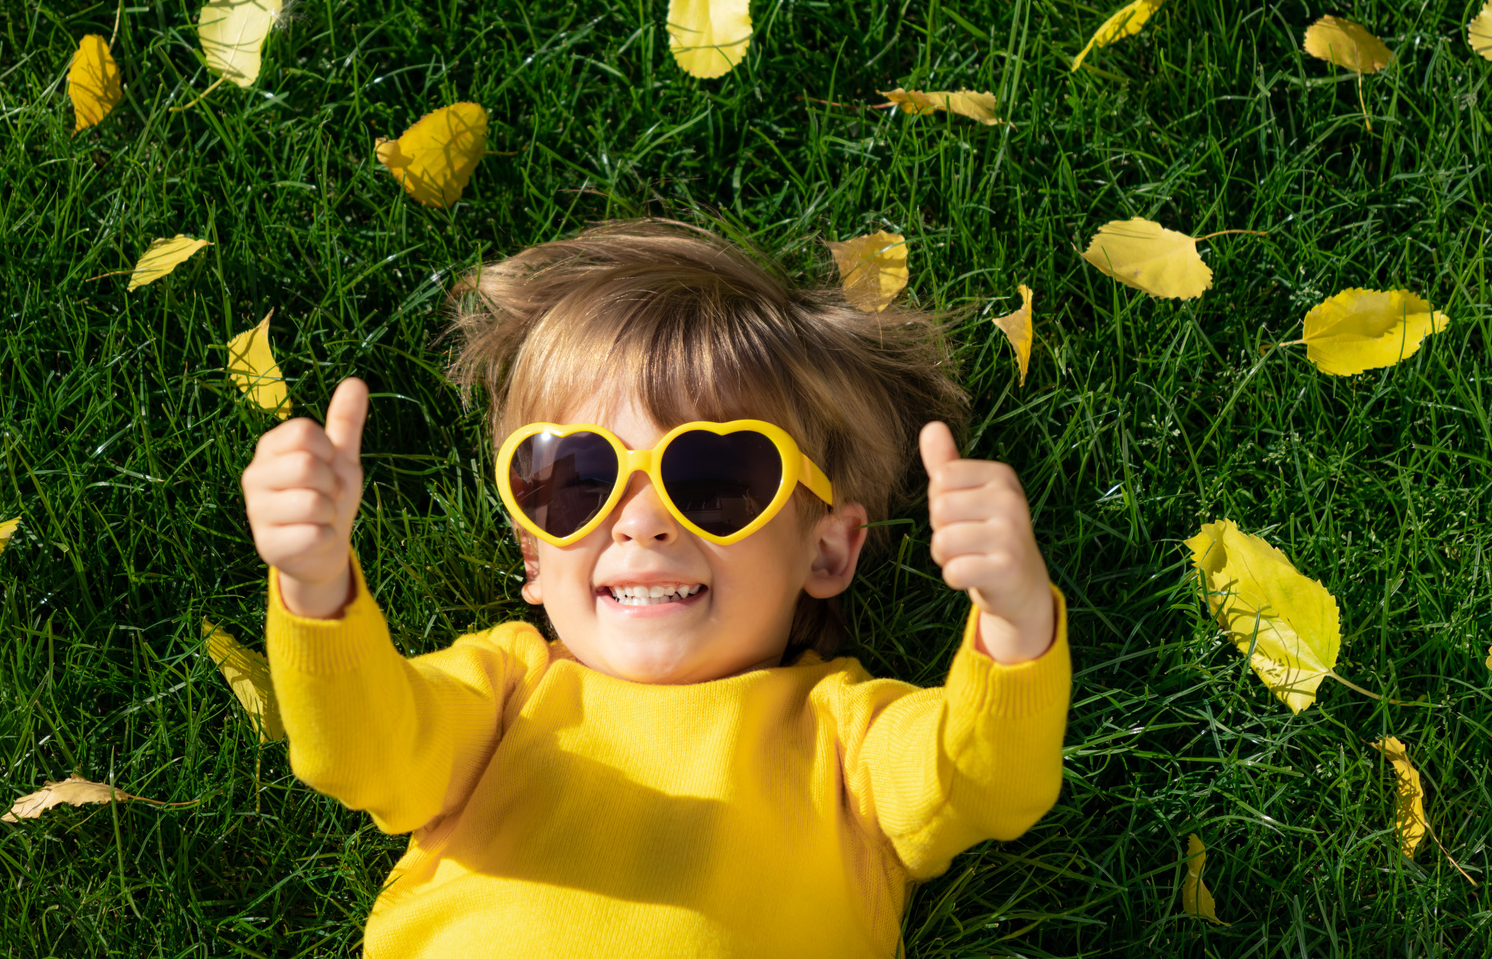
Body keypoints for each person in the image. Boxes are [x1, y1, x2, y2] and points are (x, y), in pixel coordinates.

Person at [241, 220, 1070, 958]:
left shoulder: (846, 739)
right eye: (577, 479)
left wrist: (1014, 620)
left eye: (714, 478)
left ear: (826, 551)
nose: (642, 525)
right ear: (533, 553)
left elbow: (980, 776)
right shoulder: (504, 692)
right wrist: (316, 589)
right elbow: (362, 746)